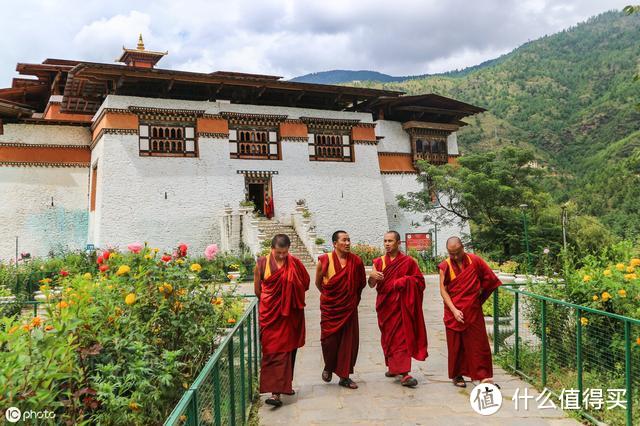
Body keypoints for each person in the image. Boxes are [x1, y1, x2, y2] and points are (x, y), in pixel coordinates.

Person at [438, 236, 502, 388]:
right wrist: (454, 310)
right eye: (451, 253)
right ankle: (457, 375)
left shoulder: (475, 261)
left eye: (457, 252)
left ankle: (483, 376)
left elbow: (490, 280)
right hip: (454, 311)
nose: (454, 256)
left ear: (463, 248)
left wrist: (478, 298)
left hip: (472, 310)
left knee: (479, 344)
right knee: (456, 346)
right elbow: (443, 290)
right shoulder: (445, 266)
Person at [255, 234, 310, 406]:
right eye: (278, 252)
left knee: (289, 351)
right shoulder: (262, 264)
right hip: (271, 316)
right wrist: (271, 301)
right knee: (272, 352)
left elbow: (306, 283)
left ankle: (283, 387)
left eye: (284, 253)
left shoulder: (295, 264)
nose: (281, 256)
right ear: (272, 249)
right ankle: (275, 393)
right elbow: (258, 290)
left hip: (290, 316)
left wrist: (291, 291)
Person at [369, 231, 428, 387]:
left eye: (390, 241)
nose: (387, 244)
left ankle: (405, 373)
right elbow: (371, 284)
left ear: (398, 243)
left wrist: (404, 281)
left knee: (401, 338)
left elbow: (420, 282)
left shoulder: (408, 262)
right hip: (385, 306)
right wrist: (372, 276)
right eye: (385, 241)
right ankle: (393, 367)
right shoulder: (379, 261)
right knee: (388, 337)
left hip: (402, 307)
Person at [315, 230, 366, 389]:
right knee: (328, 341)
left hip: (349, 308)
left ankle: (344, 376)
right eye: (344, 240)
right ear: (335, 244)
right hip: (331, 308)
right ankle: (329, 366)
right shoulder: (324, 260)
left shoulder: (356, 261)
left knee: (348, 342)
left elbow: (360, 284)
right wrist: (330, 297)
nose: (348, 243)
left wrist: (350, 299)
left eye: (349, 240)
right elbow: (319, 283)